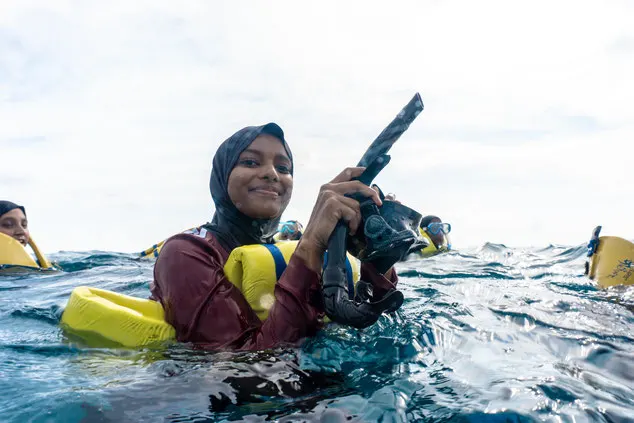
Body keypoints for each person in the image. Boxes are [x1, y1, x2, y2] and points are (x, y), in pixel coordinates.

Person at [150, 123, 398, 351]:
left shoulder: (285, 256)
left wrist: (377, 259)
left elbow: (373, 328)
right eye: (250, 162)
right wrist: (310, 244)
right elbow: (245, 376)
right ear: (222, 174)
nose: (271, 174)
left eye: (283, 168)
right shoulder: (184, 254)